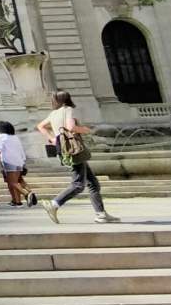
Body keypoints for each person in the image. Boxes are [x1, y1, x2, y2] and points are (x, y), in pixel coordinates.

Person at [37, 90, 119, 224]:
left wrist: (52, 139)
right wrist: (88, 130)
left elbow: (40, 126)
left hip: (64, 149)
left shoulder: (53, 113)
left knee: (93, 183)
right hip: (74, 149)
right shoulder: (67, 109)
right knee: (78, 184)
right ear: (67, 99)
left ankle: (101, 214)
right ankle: (54, 203)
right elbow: (71, 127)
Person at [0, 121, 33, 207]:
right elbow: (21, 150)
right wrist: (23, 162)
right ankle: (18, 201)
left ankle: (27, 194)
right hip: (19, 161)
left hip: (8, 161)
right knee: (17, 181)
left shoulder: (1, 136)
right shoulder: (15, 137)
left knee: (12, 182)